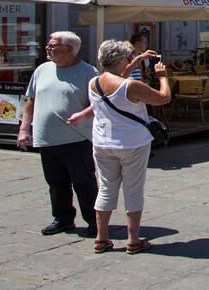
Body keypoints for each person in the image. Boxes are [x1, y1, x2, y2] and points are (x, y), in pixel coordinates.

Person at [66, 39, 170, 253]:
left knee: (106, 188)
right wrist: (162, 77)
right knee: (133, 189)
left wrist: (138, 60)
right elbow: (163, 98)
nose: (130, 62)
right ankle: (133, 240)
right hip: (132, 142)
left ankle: (101, 238)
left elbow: (117, 79)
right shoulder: (132, 86)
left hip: (103, 142)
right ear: (121, 59)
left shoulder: (94, 82)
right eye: (128, 59)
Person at [18, 31, 99, 237]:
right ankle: (63, 219)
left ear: (69, 49)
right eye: (49, 45)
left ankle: (95, 221)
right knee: (55, 182)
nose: (48, 48)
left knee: (84, 182)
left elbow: (99, 104)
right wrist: (24, 129)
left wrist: (83, 115)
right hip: (47, 138)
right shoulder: (42, 70)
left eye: (53, 46)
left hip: (77, 139)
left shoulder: (88, 73)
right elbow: (31, 101)